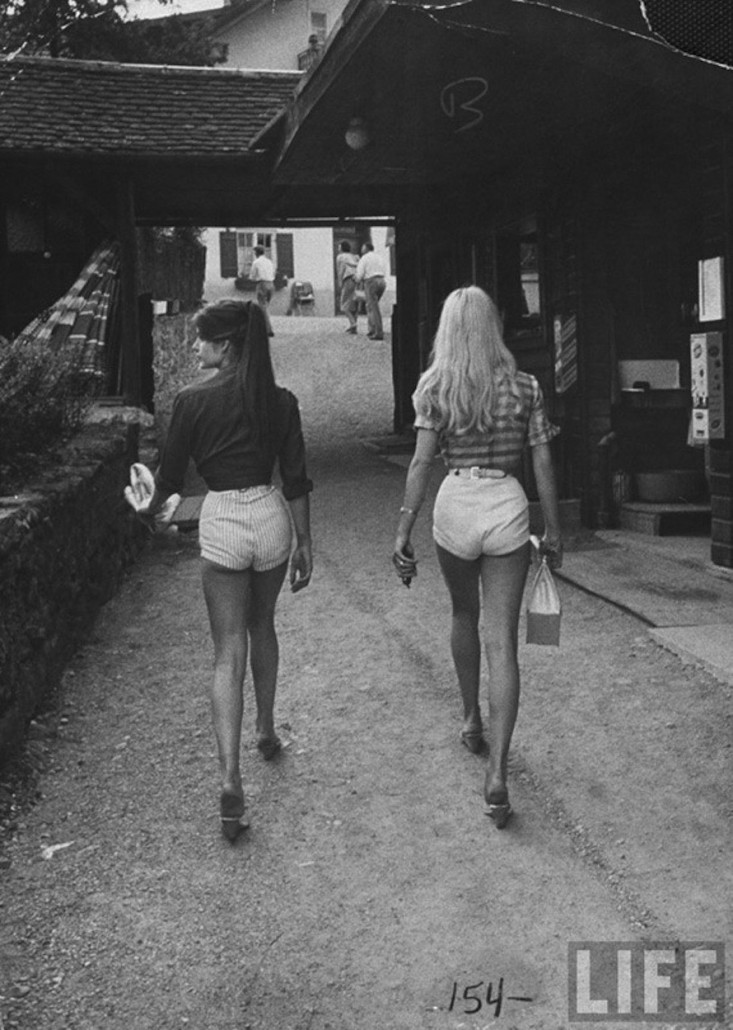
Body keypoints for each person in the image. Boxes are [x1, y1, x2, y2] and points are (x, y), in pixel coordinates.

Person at [141, 299, 313, 842]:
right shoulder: (280, 401)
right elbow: (296, 479)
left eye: (201, 339)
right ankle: (266, 729)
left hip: (222, 519)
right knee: (263, 625)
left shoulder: (191, 401)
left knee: (227, 649)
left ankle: (230, 776)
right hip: (269, 515)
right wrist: (305, 541)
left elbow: (170, 480)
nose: (195, 347)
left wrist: (145, 506)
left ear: (225, 344)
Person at [392, 285, 562, 829]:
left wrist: (404, 528)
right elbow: (542, 461)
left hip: (457, 505)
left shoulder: (435, 387)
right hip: (506, 504)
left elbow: (421, 464)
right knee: (502, 640)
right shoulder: (526, 387)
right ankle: (497, 773)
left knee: (463, 614)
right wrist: (553, 527)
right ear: (495, 326)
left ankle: (470, 718)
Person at [355, 242, 387, 340]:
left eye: (362, 247)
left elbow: (360, 274)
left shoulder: (364, 258)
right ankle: (372, 330)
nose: (361, 249)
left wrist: (356, 279)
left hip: (371, 282)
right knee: (371, 306)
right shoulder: (379, 257)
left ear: (366, 248)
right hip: (382, 281)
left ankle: (378, 332)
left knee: (373, 308)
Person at [250, 245, 275, 337]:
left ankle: (268, 330)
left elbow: (252, 277)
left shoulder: (256, 262)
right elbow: (273, 273)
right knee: (266, 307)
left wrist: (253, 278)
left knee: (263, 307)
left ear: (256, 253)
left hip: (262, 284)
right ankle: (263, 326)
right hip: (271, 284)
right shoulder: (269, 262)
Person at [336, 240, 359, 334]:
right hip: (356, 280)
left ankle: (353, 323)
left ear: (342, 247)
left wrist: (339, 282)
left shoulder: (341, 257)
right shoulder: (354, 256)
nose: (338, 248)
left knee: (344, 303)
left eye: (339, 246)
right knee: (353, 303)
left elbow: (340, 270)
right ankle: (353, 326)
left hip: (348, 279)